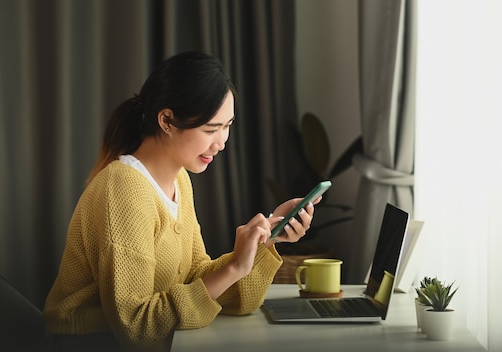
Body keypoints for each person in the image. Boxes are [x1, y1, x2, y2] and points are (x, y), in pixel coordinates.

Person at [43, 51, 319, 352]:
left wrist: (265, 242)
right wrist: (234, 267)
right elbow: (137, 329)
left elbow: (198, 281)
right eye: (211, 129)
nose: (222, 142)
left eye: (227, 126)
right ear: (167, 120)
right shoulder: (122, 189)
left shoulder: (179, 180)